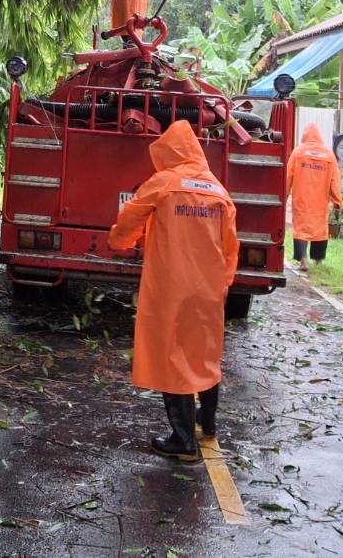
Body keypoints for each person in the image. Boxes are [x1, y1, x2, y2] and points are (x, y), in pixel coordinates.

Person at [108, 120, 239, 462]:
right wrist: (223, 284)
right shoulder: (218, 190)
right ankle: (207, 423)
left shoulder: (164, 183)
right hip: (209, 288)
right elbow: (230, 247)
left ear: (171, 153)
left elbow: (130, 218)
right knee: (204, 353)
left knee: (172, 354)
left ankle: (183, 441)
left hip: (172, 286)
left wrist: (119, 241)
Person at [286, 124, 343, 272]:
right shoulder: (329, 156)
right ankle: (318, 261)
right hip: (320, 202)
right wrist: (338, 201)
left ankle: (303, 261)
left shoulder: (298, 152)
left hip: (301, 200)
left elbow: (287, 177)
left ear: (305, 136)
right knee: (320, 229)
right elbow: (334, 182)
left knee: (300, 228)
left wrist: (284, 196)